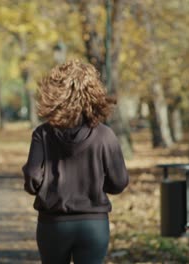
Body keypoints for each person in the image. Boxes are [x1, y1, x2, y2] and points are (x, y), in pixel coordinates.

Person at [22, 59, 129, 264]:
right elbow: (119, 182)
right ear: (94, 93)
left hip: (53, 224)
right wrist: (96, 182)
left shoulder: (43, 134)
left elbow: (33, 178)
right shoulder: (105, 135)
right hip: (94, 225)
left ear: (55, 93)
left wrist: (43, 185)